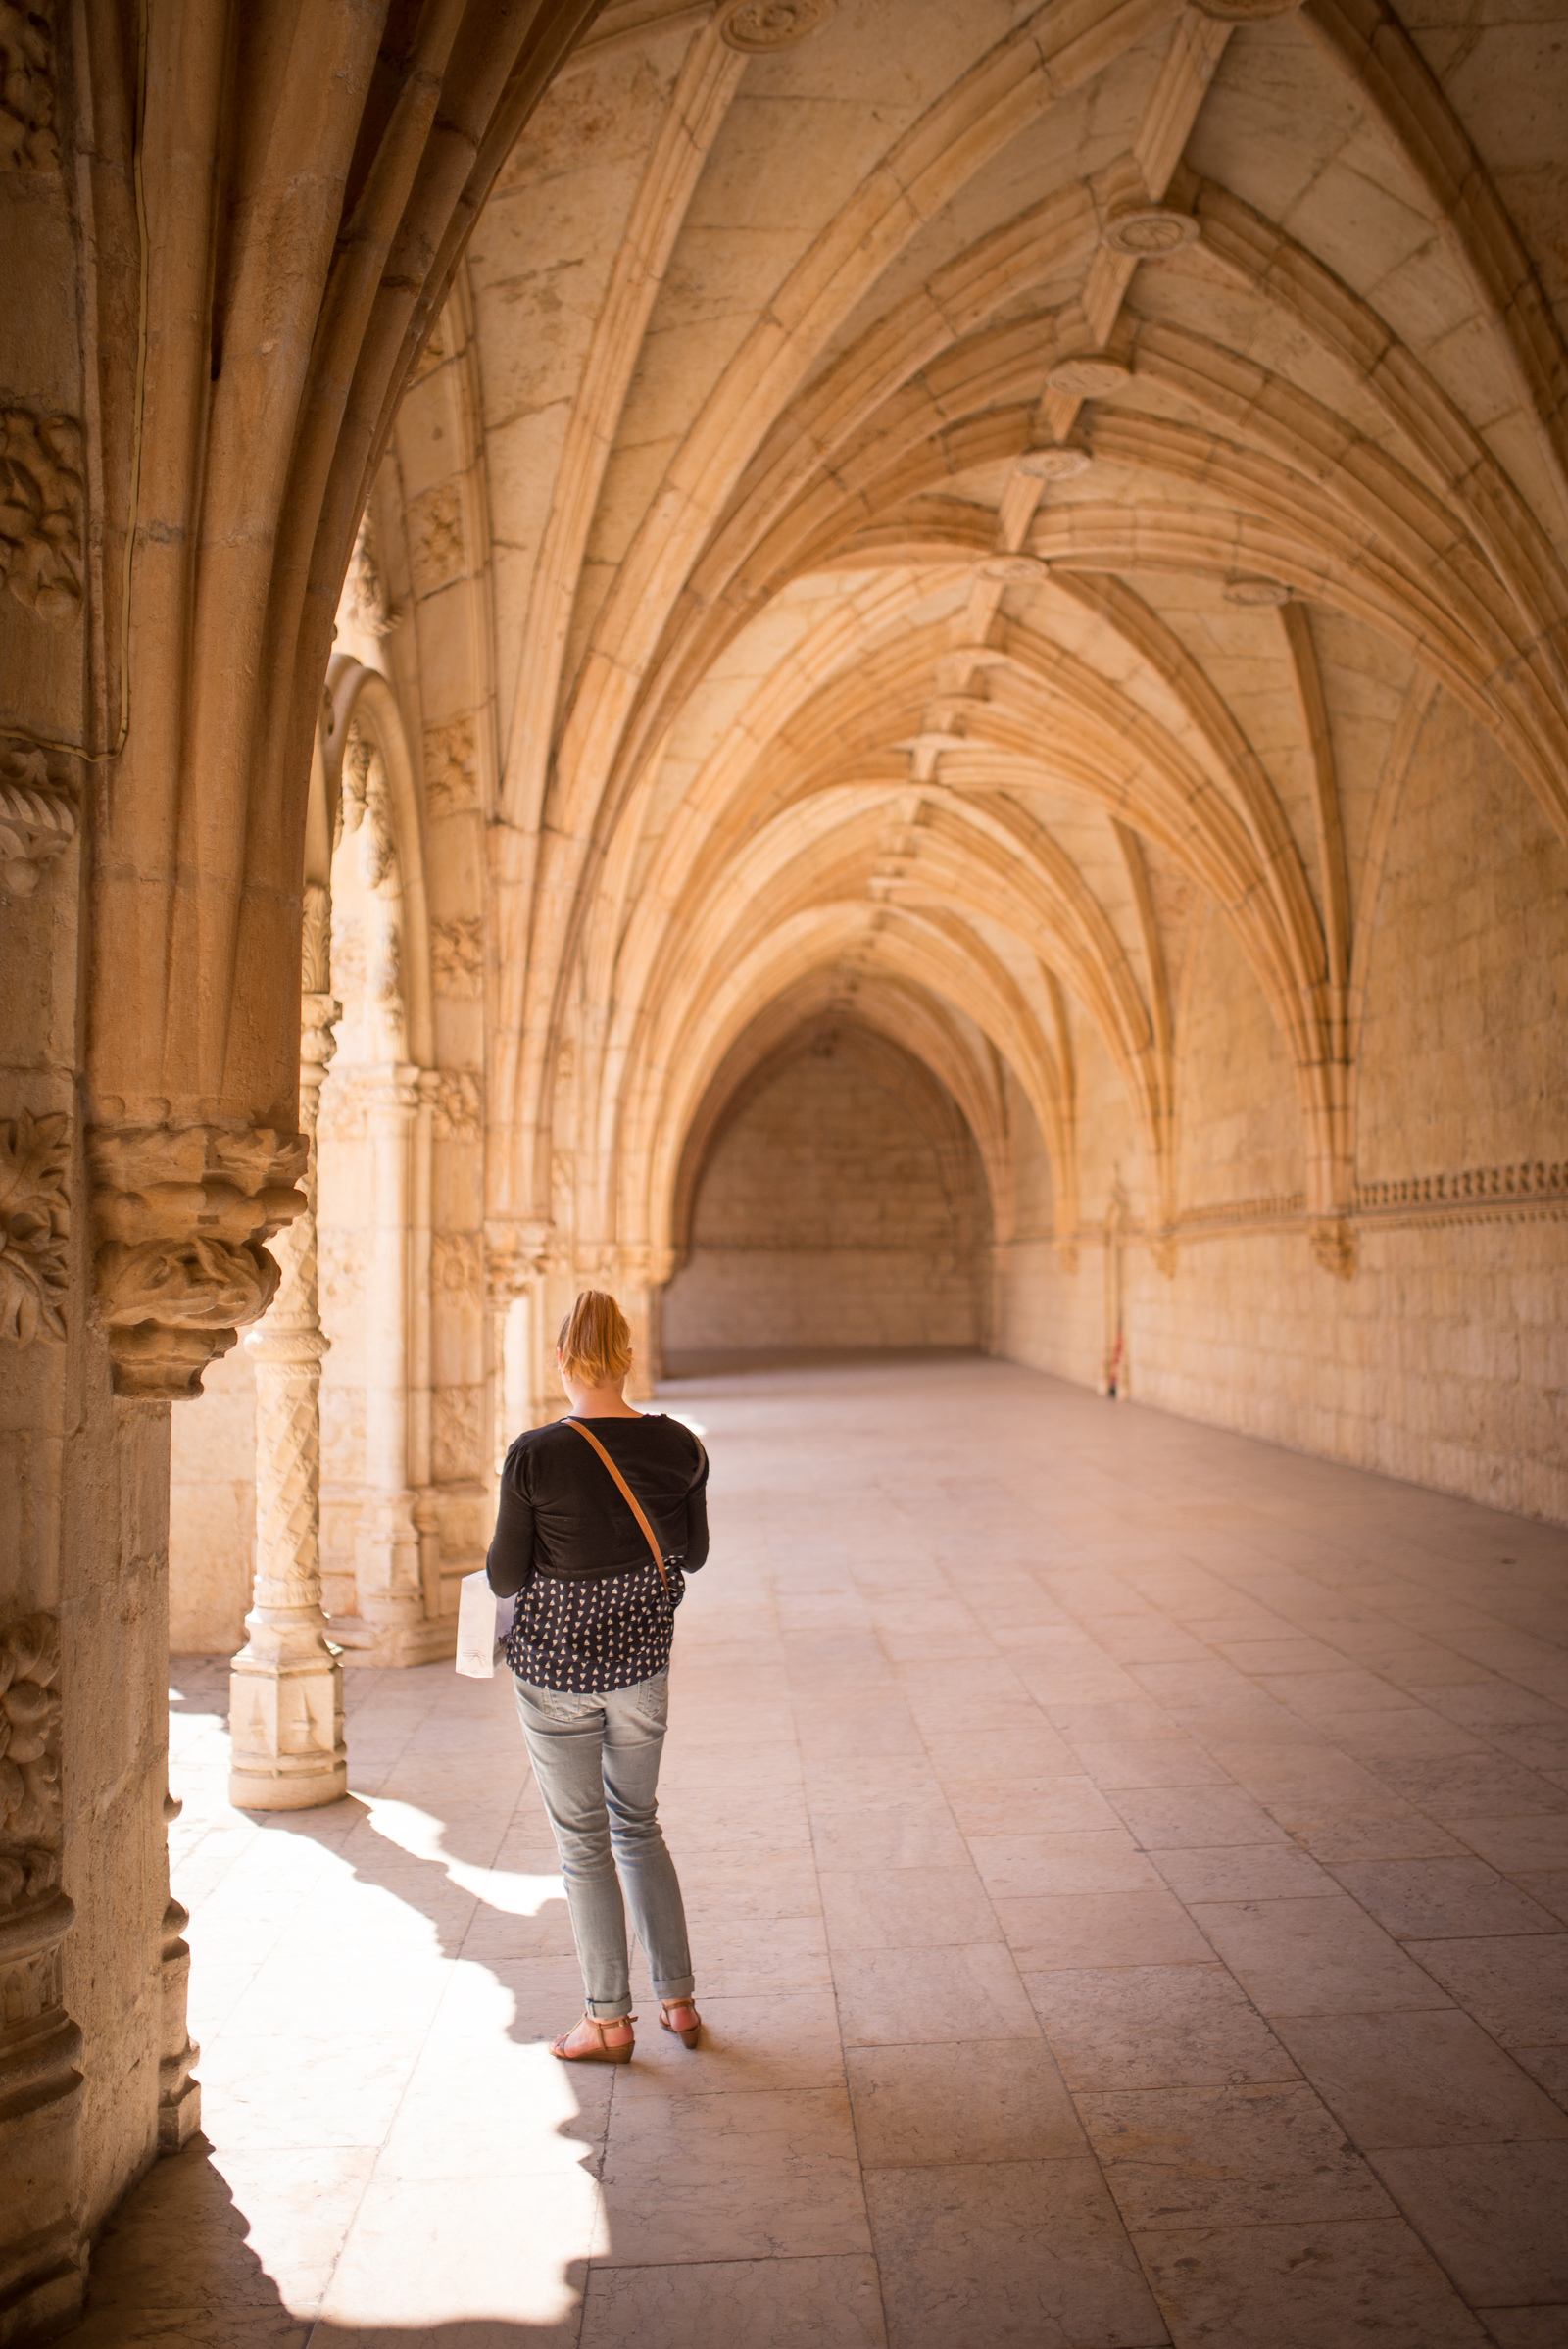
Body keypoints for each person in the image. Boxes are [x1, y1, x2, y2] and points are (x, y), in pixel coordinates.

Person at [486, 1289, 710, 2063]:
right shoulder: (680, 1445)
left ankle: (607, 2020)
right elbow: (697, 1553)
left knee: (583, 1841)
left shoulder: (535, 1454)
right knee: (638, 1823)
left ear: (560, 1360)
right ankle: (678, 2000)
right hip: (642, 1666)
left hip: (555, 1675)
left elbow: (504, 1571)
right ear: (627, 1357)